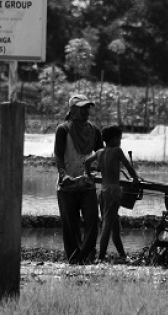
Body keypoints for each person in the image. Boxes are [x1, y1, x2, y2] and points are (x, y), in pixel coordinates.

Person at [54, 94, 104, 264]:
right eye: (81, 109)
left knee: (92, 222)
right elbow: (58, 155)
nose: (85, 112)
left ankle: (87, 256)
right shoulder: (63, 129)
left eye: (87, 108)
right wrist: (64, 175)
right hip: (67, 186)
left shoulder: (95, 130)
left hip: (87, 183)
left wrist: (101, 170)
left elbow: (100, 154)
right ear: (73, 111)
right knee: (70, 226)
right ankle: (75, 259)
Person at [84, 125, 139, 264]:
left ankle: (123, 255)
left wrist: (89, 174)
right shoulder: (117, 151)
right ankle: (100, 258)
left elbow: (86, 162)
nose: (121, 140)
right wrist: (136, 179)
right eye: (120, 138)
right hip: (114, 191)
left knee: (115, 226)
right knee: (107, 224)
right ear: (115, 139)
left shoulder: (99, 153)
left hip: (103, 191)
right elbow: (129, 167)